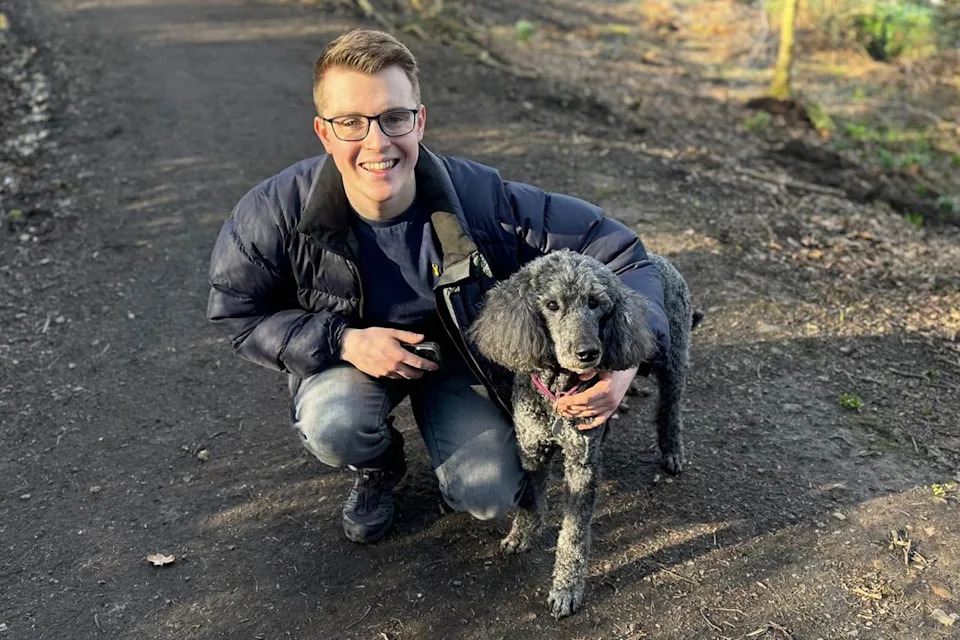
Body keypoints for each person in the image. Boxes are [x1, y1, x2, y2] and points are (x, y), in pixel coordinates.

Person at [206, 29, 669, 544]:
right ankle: (378, 467)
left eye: (394, 117)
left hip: (461, 362)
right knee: (335, 424)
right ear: (324, 132)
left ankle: (454, 452)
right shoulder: (273, 212)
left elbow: (624, 254)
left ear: (419, 120)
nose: (376, 142)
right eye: (351, 122)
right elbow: (239, 312)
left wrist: (623, 363)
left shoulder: (484, 200)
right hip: (351, 359)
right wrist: (344, 340)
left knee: (489, 493)